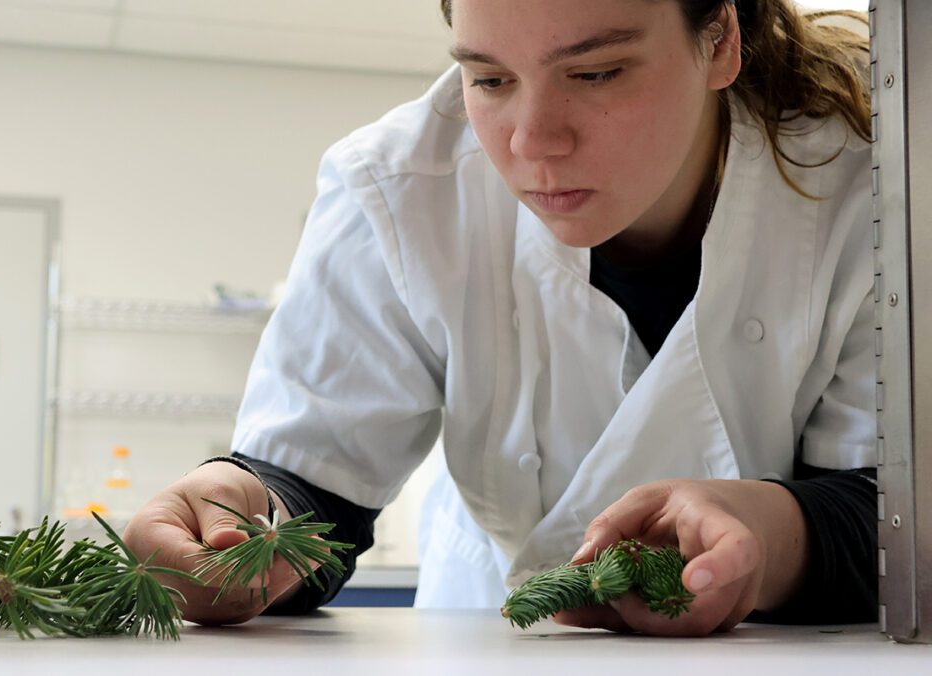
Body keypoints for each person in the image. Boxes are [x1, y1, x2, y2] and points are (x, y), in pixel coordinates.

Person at [123, 0, 877, 636]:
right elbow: (315, 485)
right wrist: (244, 511)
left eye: (596, 72)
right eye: (488, 79)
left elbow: (891, 519)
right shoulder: (398, 187)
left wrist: (768, 532)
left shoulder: (867, 190)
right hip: (490, 633)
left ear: (718, 41)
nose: (532, 140)